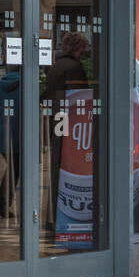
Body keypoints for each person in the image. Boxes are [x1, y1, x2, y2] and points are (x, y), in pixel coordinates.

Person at [46, 33, 91, 223]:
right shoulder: (74, 67)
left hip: (56, 120)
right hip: (72, 124)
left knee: (57, 164)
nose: (85, 51)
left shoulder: (55, 67)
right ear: (77, 47)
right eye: (83, 47)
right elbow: (80, 98)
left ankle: (53, 213)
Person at [0, 66, 21, 218]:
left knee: (13, 168)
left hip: (5, 133)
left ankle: (3, 203)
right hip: (19, 134)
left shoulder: (1, 87)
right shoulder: (25, 85)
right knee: (15, 169)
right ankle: (3, 203)